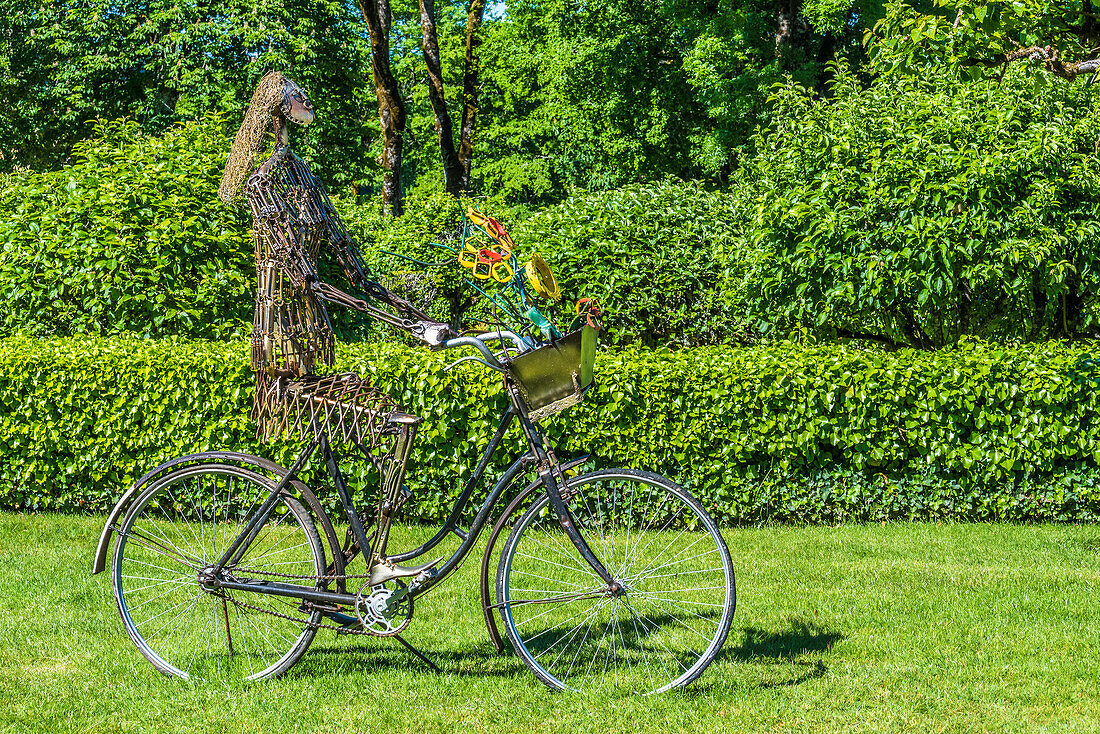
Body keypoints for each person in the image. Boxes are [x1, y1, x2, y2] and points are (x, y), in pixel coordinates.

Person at [218, 71, 451, 445]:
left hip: (311, 329)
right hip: (278, 335)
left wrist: (419, 317)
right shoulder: (262, 184)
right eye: (297, 95)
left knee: (378, 415)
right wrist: (402, 325)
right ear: (279, 108)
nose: (306, 101)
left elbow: (356, 270)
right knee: (367, 417)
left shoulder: (305, 179)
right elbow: (305, 277)